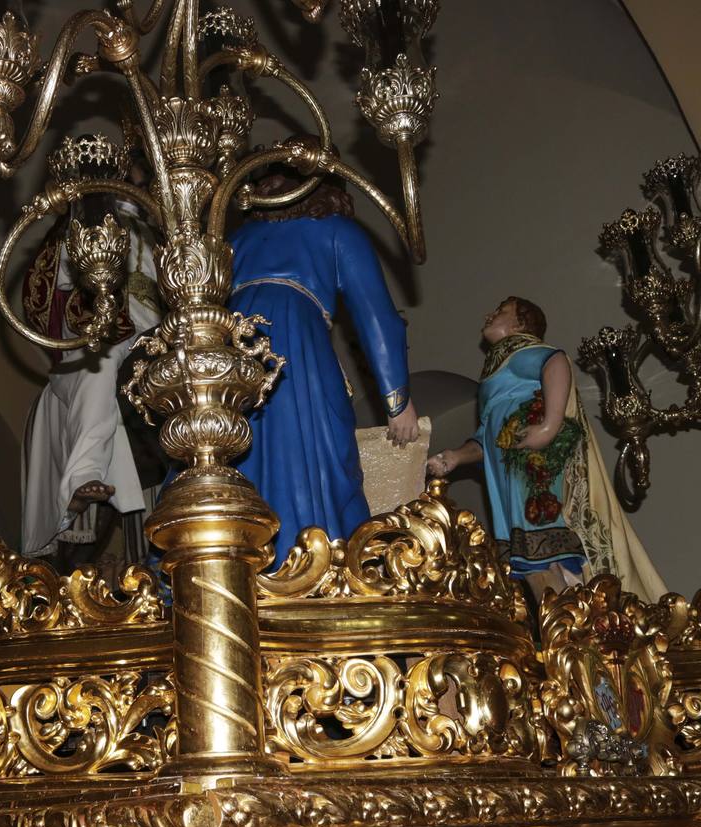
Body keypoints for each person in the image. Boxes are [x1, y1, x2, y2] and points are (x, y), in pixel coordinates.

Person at [228, 172, 420, 567]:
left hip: (230, 351)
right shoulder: (336, 230)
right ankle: (312, 567)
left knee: (233, 454)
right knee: (314, 455)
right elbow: (376, 318)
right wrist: (397, 400)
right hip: (297, 349)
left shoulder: (235, 241)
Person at [426, 297, 667, 601]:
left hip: (531, 463)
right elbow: (488, 437)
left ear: (519, 324)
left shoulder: (518, 350)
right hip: (506, 475)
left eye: (501, 311)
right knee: (527, 561)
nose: (490, 314)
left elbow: (555, 361)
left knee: (538, 549)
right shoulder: (499, 367)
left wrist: (548, 426)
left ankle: (570, 619)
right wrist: (456, 457)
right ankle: (567, 615)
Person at [20, 181, 162, 570]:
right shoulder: (82, 226)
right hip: (96, 339)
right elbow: (57, 282)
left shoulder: (157, 232)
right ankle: (81, 480)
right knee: (98, 372)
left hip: (154, 343)